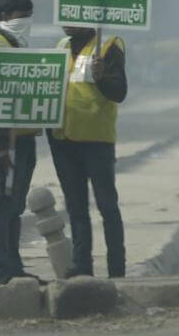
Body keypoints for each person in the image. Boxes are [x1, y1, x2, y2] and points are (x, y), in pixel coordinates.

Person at [0, 0, 44, 285]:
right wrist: (2, 147)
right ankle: (3, 267)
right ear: (4, 16)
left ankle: (13, 265)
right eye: (21, 16)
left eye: (29, 15)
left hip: (23, 135)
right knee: (6, 200)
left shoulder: (15, 43)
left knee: (16, 202)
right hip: (8, 140)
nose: (26, 21)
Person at [48, 26, 128, 278]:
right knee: (75, 208)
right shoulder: (60, 47)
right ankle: (82, 265)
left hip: (96, 139)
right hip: (63, 138)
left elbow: (119, 92)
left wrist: (102, 76)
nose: (65, 20)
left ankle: (116, 268)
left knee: (107, 206)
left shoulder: (109, 45)